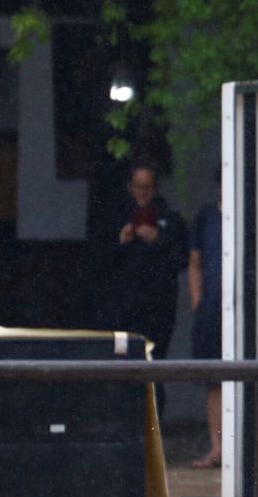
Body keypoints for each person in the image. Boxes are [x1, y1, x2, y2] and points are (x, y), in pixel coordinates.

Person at [92, 163, 189, 375]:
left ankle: (155, 408)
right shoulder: (114, 219)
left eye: (147, 187)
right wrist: (120, 241)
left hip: (157, 311)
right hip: (121, 311)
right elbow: (96, 263)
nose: (142, 192)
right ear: (130, 187)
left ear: (155, 189)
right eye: (138, 186)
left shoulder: (171, 221)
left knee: (154, 369)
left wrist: (158, 239)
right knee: (121, 371)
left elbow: (182, 260)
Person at [188, 197, 224, 468]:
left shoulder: (247, 216)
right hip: (211, 308)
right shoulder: (206, 217)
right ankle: (217, 447)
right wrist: (198, 301)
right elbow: (195, 261)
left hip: (241, 310)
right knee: (214, 380)